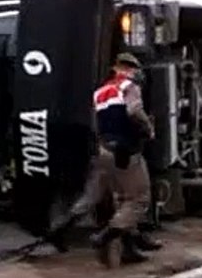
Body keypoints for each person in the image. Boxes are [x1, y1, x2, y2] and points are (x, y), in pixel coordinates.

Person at [44, 52, 160, 266]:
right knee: (137, 199)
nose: (137, 73)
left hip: (103, 151)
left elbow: (97, 125)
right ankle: (105, 236)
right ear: (128, 68)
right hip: (125, 152)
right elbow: (134, 111)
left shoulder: (100, 92)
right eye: (135, 69)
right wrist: (148, 129)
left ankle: (59, 230)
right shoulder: (128, 87)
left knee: (92, 196)